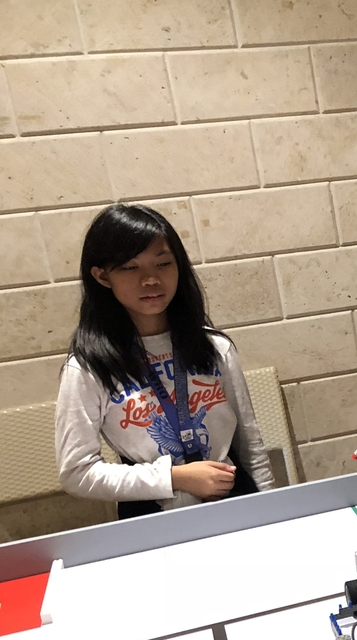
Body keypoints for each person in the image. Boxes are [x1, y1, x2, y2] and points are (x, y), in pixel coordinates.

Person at [55, 204, 273, 517]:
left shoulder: (215, 347)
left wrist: (270, 510)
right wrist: (173, 477)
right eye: (130, 268)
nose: (150, 279)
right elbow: (77, 472)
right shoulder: (89, 367)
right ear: (102, 276)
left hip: (233, 503)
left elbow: (249, 444)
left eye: (163, 263)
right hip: (153, 518)